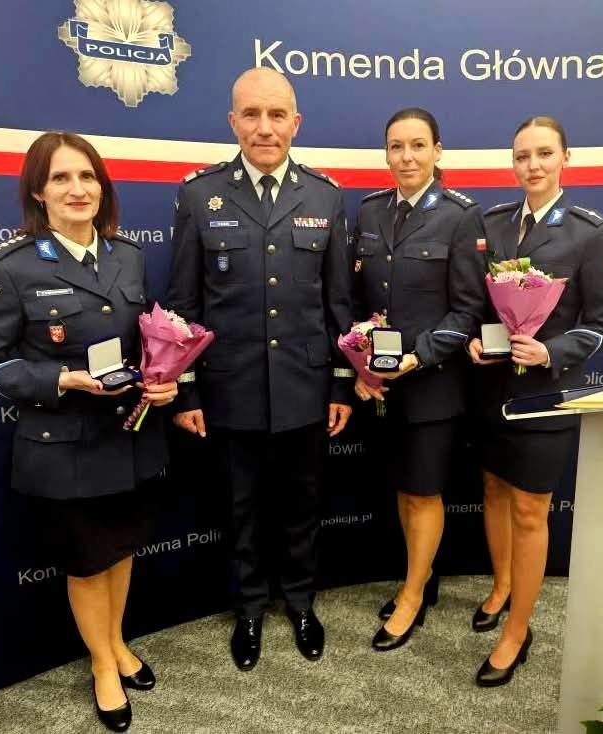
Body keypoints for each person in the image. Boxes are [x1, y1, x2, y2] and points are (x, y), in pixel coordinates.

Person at [0, 131, 178, 731]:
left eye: (87, 177)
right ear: (38, 191)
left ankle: (118, 642)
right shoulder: (9, 266)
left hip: (129, 437)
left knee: (121, 550)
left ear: (102, 187)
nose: (77, 189)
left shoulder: (127, 255)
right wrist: (64, 379)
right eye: (60, 178)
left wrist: (163, 380)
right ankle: (104, 664)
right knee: (86, 562)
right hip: (64, 448)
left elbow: (144, 342)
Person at [166, 67, 354, 671]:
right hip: (231, 387)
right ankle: (248, 607)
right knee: (239, 506)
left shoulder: (325, 196)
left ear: (296, 122)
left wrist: (342, 384)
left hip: (305, 386)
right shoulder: (200, 195)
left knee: (303, 503)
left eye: (276, 115)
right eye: (251, 114)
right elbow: (184, 305)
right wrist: (186, 391)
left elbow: (338, 305)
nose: (264, 128)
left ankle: (300, 601)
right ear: (233, 122)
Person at [467, 115, 603, 687]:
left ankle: (517, 632)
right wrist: (478, 342)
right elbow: (477, 304)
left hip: (547, 394)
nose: (532, 165)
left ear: (565, 159)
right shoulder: (491, 224)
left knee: (531, 511)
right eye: (522, 156)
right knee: (492, 488)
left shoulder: (588, 233)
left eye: (543, 154)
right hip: (491, 390)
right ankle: (503, 585)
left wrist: (549, 351)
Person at [352, 108, 486, 651]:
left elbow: (468, 310)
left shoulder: (460, 216)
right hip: (383, 385)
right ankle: (421, 577)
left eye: (417, 145)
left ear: (437, 151)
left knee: (424, 491)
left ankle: (411, 597)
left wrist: (418, 356)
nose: (406, 157)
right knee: (404, 490)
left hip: (431, 383)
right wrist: (361, 365)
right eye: (396, 146)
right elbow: (361, 300)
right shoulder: (369, 210)